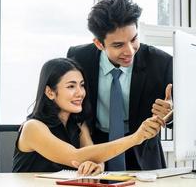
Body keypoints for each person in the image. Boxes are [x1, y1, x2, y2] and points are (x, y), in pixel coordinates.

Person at [67, 0, 173, 171]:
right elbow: (69, 107)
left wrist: (170, 112)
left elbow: (179, 113)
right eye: (118, 45)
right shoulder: (79, 58)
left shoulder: (160, 62)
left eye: (133, 39)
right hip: (94, 150)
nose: (130, 51)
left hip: (142, 154)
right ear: (99, 44)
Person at [12, 58, 165, 175]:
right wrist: (135, 138)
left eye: (82, 85)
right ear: (50, 92)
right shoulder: (33, 127)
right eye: (71, 86)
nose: (80, 93)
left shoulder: (78, 124)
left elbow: (93, 154)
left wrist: (96, 165)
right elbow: (75, 156)